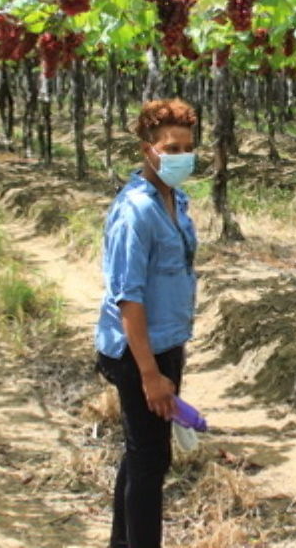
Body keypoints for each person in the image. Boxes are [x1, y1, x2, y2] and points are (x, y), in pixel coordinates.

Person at [94, 99, 199, 548]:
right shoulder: (135, 211)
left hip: (167, 341)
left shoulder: (174, 200)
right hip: (139, 351)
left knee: (142, 453)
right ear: (147, 149)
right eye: (171, 146)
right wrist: (150, 375)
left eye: (188, 147)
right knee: (151, 459)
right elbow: (129, 298)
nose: (181, 155)